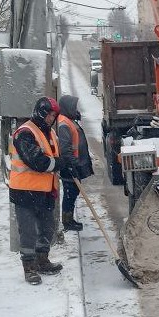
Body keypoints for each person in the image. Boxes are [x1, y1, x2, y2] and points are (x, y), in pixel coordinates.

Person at [8, 96, 71, 285]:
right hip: (25, 191)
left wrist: (67, 165)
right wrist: (61, 163)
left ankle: (42, 260)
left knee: (47, 227)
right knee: (28, 232)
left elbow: (54, 157)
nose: (52, 118)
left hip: (45, 191)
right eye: (49, 115)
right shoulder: (24, 133)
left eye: (54, 115)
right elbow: (38, 162)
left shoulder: (49, 133)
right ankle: (29, 268)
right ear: (40, 112)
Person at [57, 95, 95, 231]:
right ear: (67, 107)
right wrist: (72, 166)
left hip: (73, 164)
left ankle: (70, 219)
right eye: (74, 107)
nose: (76, 109)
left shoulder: (69, 120)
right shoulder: (64, 124)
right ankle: (67, 221)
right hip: (69, 166)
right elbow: (65, 149)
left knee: (73, 193)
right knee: (70, 194)